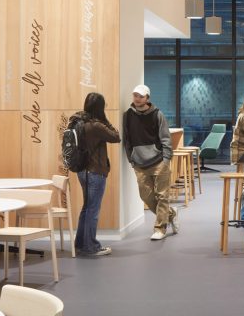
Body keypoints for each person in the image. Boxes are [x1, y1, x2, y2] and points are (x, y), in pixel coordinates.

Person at [123, 84, 178, 241]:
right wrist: (131, 159)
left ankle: (160, 228)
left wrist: (166, 159)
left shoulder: (157, 114)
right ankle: (171, 214)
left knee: (162, 196)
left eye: (141, 96)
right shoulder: (127, 115)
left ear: (147, 98)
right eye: (135, 95)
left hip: (159, 161)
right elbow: (127, 140)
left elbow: (166, 138)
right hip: (139, 163)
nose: (137, 99)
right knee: (146, 196)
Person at [71, 92, 120, 257]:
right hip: (95, 172)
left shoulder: (77, 121)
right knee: (93, 209)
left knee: (86, 208)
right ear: (100, 108)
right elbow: (116, 136)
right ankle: (90, 246)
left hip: (81, 171)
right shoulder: (96, 125)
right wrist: (105, 119)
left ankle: (80, 243)